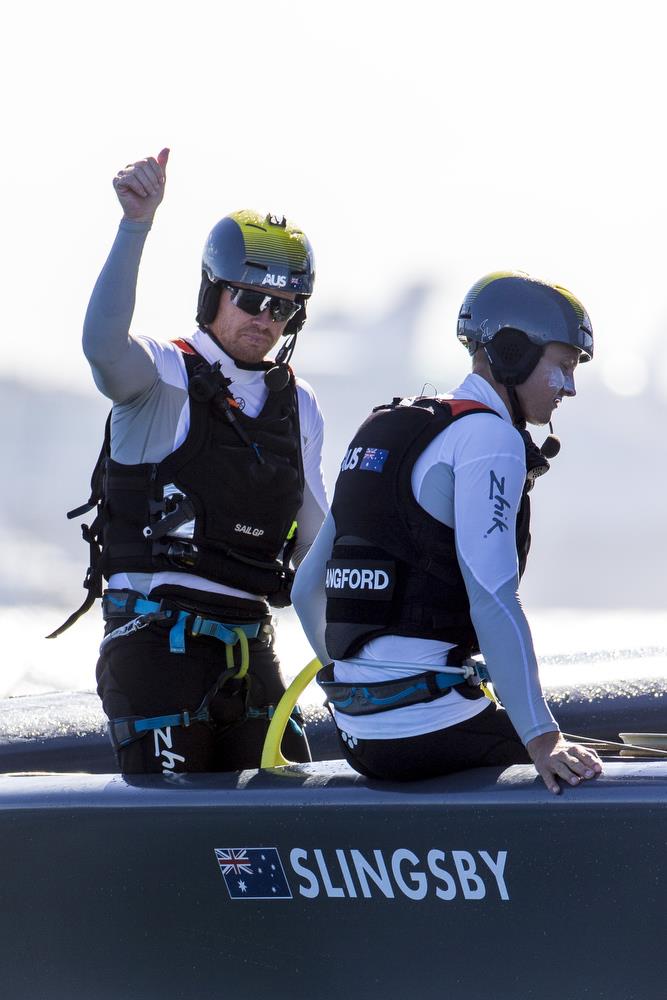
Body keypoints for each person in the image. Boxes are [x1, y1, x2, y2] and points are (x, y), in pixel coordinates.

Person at [50, 149, 327, 774]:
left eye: (281, 308)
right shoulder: (160, 375)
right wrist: (135, 225)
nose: (264, 319)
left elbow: (317, 545)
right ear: (213, 291)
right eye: (249, 299)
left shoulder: (299, 404)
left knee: (289, 821)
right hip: (156, 646)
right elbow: (100, 347)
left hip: (252, 646)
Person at [292, 271, 603, 794]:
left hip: (359, 739)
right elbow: (493, 596)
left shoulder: (382, 428)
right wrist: (542, 739)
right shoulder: (490, 436)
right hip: (428, 733)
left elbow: (305, 592)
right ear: (511, 353)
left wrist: (365, 695)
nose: (569, 387)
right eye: (563, 367)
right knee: (587, 766)